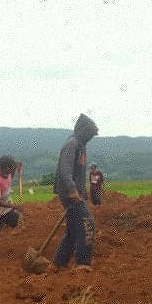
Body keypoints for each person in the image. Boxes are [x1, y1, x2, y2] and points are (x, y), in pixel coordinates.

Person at [52, 112, 99, 271]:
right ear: (82, 130)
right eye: (90, 134)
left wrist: (83, 192)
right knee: (88, 223)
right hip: (69, 195)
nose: (91, 137)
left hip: (76, 194)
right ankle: (82, 263)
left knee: (73, 229)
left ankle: (59, 262)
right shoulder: (72, 144)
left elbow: (79, 173)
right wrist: (72, 191)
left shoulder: (81, 146)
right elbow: (64, 170)